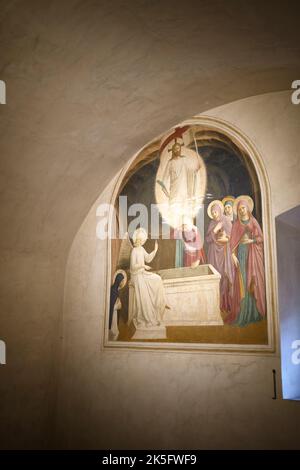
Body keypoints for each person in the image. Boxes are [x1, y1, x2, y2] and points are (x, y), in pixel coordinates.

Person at [226, 196, 266, 326]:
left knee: (252, 280)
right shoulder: (236, 224)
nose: (242, 210)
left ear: (248, 208)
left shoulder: (253, 222)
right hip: (241, 255)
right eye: (239, 209)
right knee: (242, 281)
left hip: (252, 255)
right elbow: (231, 243)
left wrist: (252, 240)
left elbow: (261, 238)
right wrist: (233, 256)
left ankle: (253, 312)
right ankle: (243, 313)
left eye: (243, 208)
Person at [130, 228, 168, 329]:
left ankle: (159, 305)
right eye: (141, 240)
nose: (143, 242)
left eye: (143, 240)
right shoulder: (134, 251)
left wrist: (155, 250)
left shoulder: (141, 249)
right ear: (138, 239)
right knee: (144, 297)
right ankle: (146, 318)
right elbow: (133, 267)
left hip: (143, 273)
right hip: (137, 276)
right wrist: (143, 266)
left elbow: (148, 258)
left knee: (157, 279)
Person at [206, 200, 234, 313]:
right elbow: (208, 239)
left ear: (219, 211)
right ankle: (216, 305)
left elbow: (232, 236)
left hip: (224, 252)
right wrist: (215, 229)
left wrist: (225, 237)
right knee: (215, 277)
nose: (214, 214)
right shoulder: (212, 223)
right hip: (213, 253)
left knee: (225, 276)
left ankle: (226, 304)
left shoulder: (226, 220)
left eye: (215, 212)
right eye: (212, 212)